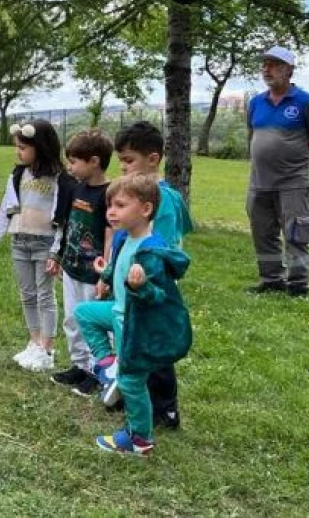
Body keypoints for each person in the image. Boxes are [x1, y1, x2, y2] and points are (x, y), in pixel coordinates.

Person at [75, 174, 193, 456]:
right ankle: (107, 362)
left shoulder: (150, 251)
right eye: (109, 205)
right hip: (118, 313)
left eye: (120, 205)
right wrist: (106, 270)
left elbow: (159, 296)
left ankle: (139, 438)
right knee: (85, 313)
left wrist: (141, 287)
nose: (111, 212)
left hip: (137, 328)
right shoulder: (125, 238)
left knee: (131, 382)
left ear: (146, 209)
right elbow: (119, 273)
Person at [113, 120, 192, 429]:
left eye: (129, 160)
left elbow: (167, 245)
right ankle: (135, 396)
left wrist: (148, 277)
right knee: (132, 341)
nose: (123, 167)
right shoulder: (134, 195)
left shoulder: (164, 199)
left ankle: (166, 408)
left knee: (154, 348)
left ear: (153, 159)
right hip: (133, 283)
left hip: (154, 287)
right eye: (121, 161)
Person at [0, 119, 74, 372]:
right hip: (20, 241)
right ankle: (34, 341)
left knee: (44, 295)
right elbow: (7, 209)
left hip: (44, 243)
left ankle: (48, 349)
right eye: (17, 147)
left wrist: (56, 251)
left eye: (23, 147)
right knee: (27, 294)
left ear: (40, 146)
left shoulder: (60, 178)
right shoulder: (18, 174)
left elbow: (62, 219)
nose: (18, 152)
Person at [245, 46, 309, 298]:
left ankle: (298, 285)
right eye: (264, 64)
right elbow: (252, 136)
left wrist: (292, 157)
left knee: (297, 232)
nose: (267, 69)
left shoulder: (304, 101)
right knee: (263, 231)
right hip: (259, 181)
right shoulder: (255, 103)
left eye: (274, 64)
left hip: (293, 181)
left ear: (289, 69)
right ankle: (271, 279)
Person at [49, 130, 114, 396]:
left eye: (75, 161)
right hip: (72, 268)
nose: (70, 167)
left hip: (93, 273)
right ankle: (79, 366)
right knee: (72, 319)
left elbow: (111, 234)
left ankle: (100, 372)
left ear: (94, 161)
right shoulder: (77, 188)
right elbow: (68, 226)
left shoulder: (109, 194)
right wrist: (59, 256)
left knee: (94, 324)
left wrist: (105, 273)